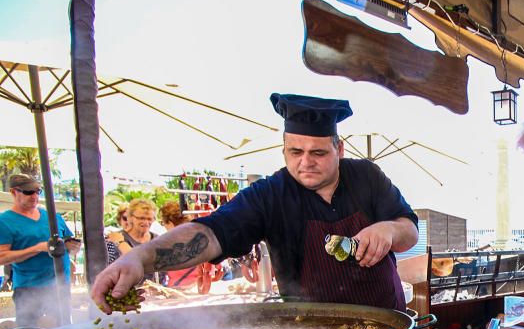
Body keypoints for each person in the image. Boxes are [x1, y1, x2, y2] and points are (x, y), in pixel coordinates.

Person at [92, 93, 418, 313]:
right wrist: (142, 257)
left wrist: (389, 229)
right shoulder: (269, 194)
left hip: (386, 326)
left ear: (339, 149)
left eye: (318, 153)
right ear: (284, 150)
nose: (306, 162)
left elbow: (409, 229)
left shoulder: (367, 176)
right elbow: (210, 233)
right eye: (295, 152)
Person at [0, 174, 81, 327]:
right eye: (28, 192)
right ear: (13, 192)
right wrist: (38, 248)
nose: (34, 196)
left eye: (38, 191)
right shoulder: (4, 221)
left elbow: (67, 244)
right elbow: (2, 257)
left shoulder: (53, 217)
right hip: (29, 288)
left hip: (59, 286)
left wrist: (72, 247)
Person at [157, 201, 200, 288]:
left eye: (163, 223)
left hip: (177, 293)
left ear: (170, 223)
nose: (164, 226)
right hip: (201, 290)